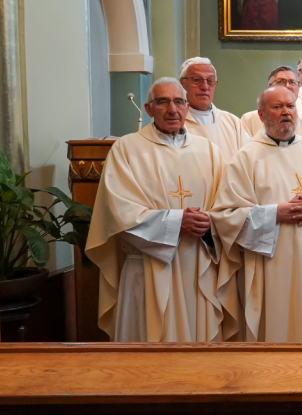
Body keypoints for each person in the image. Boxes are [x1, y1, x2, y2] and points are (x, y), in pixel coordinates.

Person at [87, 77, 234, 342]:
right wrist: (177, 222)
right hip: (148, 267)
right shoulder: (127, 149)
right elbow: (119, 211)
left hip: (199, 265)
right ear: (148, 108)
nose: (172, 109)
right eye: (163, 102)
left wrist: (210, 222)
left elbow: (228, 204)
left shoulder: (210, 151)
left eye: (178, 102)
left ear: (187, 108)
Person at [210, 86, 302, 342]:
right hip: (272, 266)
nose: (286, 113)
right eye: (277, 107)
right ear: (261, 114)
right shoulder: (245, 159)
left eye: (290, 106)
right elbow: (226, 216)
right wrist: (275, 213)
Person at [179, 57, 250, 161]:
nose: (204, 86)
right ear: (181, 83)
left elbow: (248, 161)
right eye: (196, 80)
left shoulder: (233, 123)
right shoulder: (175, 123)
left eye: (210, 81)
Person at [240, 66, 302, 139]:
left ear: (298, 89)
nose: (288, 86)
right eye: (281, 81)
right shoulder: (249, 120)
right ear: (269, 88)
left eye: (292, 82)